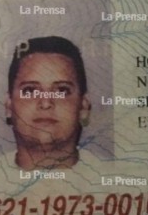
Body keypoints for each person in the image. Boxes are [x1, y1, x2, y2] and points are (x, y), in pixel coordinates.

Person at [5, 36, 92, 170]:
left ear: (83, 107)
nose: (45, 103)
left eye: (62, 90)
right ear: (9, 106)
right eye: (30, 90)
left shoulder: (115, 181)